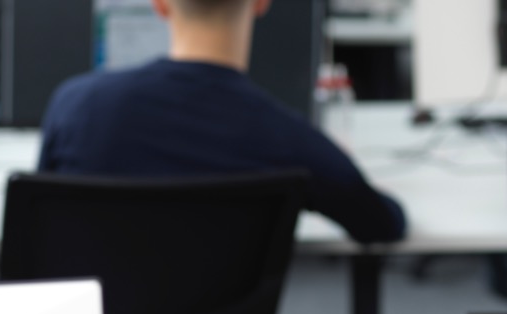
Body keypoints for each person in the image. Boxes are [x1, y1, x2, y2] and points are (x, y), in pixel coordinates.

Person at [38, 0, 406, 243]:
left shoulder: (76, 105)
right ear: (261, 3)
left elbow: (41, 224)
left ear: (160, 5)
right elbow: (382, 226)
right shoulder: (287, 138)